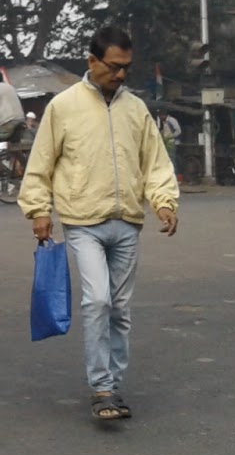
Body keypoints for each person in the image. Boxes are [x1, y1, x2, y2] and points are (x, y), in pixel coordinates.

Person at [19, 25, 179, 423]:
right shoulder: (63, 106)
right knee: (98, 301)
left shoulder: (136, 109)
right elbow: (41, 163)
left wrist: (164, 202)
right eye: (113, 66)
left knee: (120, 308)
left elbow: (155, 162)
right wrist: (39, 210)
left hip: (127, 223)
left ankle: (114, 384)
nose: (120, 74)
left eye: (126, 67)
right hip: (82, 222)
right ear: (91, 61)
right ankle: (101, 388)